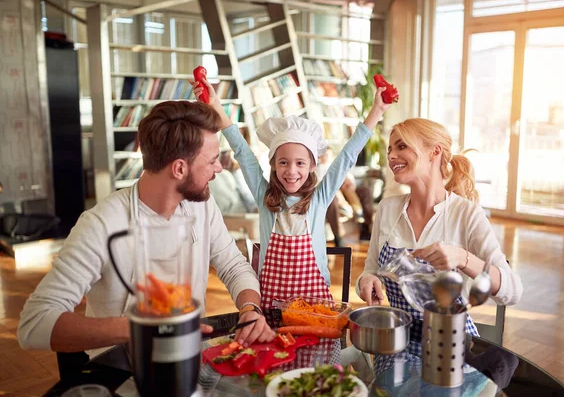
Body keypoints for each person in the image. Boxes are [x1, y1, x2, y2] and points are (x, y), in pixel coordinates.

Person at [17, 101, 275, 355]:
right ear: (179, 169)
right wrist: (145, 327)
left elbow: (232, 264)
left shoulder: (202, 206)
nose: (219, 168)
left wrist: (250, 309)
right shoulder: (101, 224)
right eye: (212, 161)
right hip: (122, 369)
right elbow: (34, 324)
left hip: (189, 356)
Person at [192, 79, 391, 309]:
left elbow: (348, 155)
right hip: (271, 307)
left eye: (300, 163)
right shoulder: (263, 194)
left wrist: (376, 111)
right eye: (283, 162)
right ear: (273, 164)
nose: (292, 171)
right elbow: (241, 149)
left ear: (312, 165)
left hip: (316, 308)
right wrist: (216, 105)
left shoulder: (320, 198)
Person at [357, 118, 523, 353]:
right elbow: (370, 270)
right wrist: (366, 281)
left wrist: (464, 258)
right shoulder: (387, 208)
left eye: (402, 146)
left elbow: (513, 291)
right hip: (396, 345)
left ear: (434, 152)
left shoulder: (466, 214)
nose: (392, 155)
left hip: (451, 352)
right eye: (390, 149)